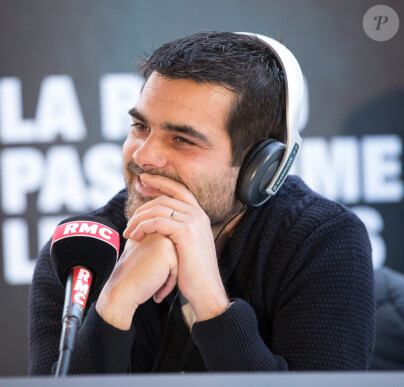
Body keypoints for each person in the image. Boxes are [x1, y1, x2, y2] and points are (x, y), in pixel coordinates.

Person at [28, 31, 375, 374]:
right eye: (139, 126)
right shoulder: (81, 252)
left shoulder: (324, 240)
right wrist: (114, 303)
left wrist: (211, 301)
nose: (144, 156)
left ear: (260, 167)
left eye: (182, 139)